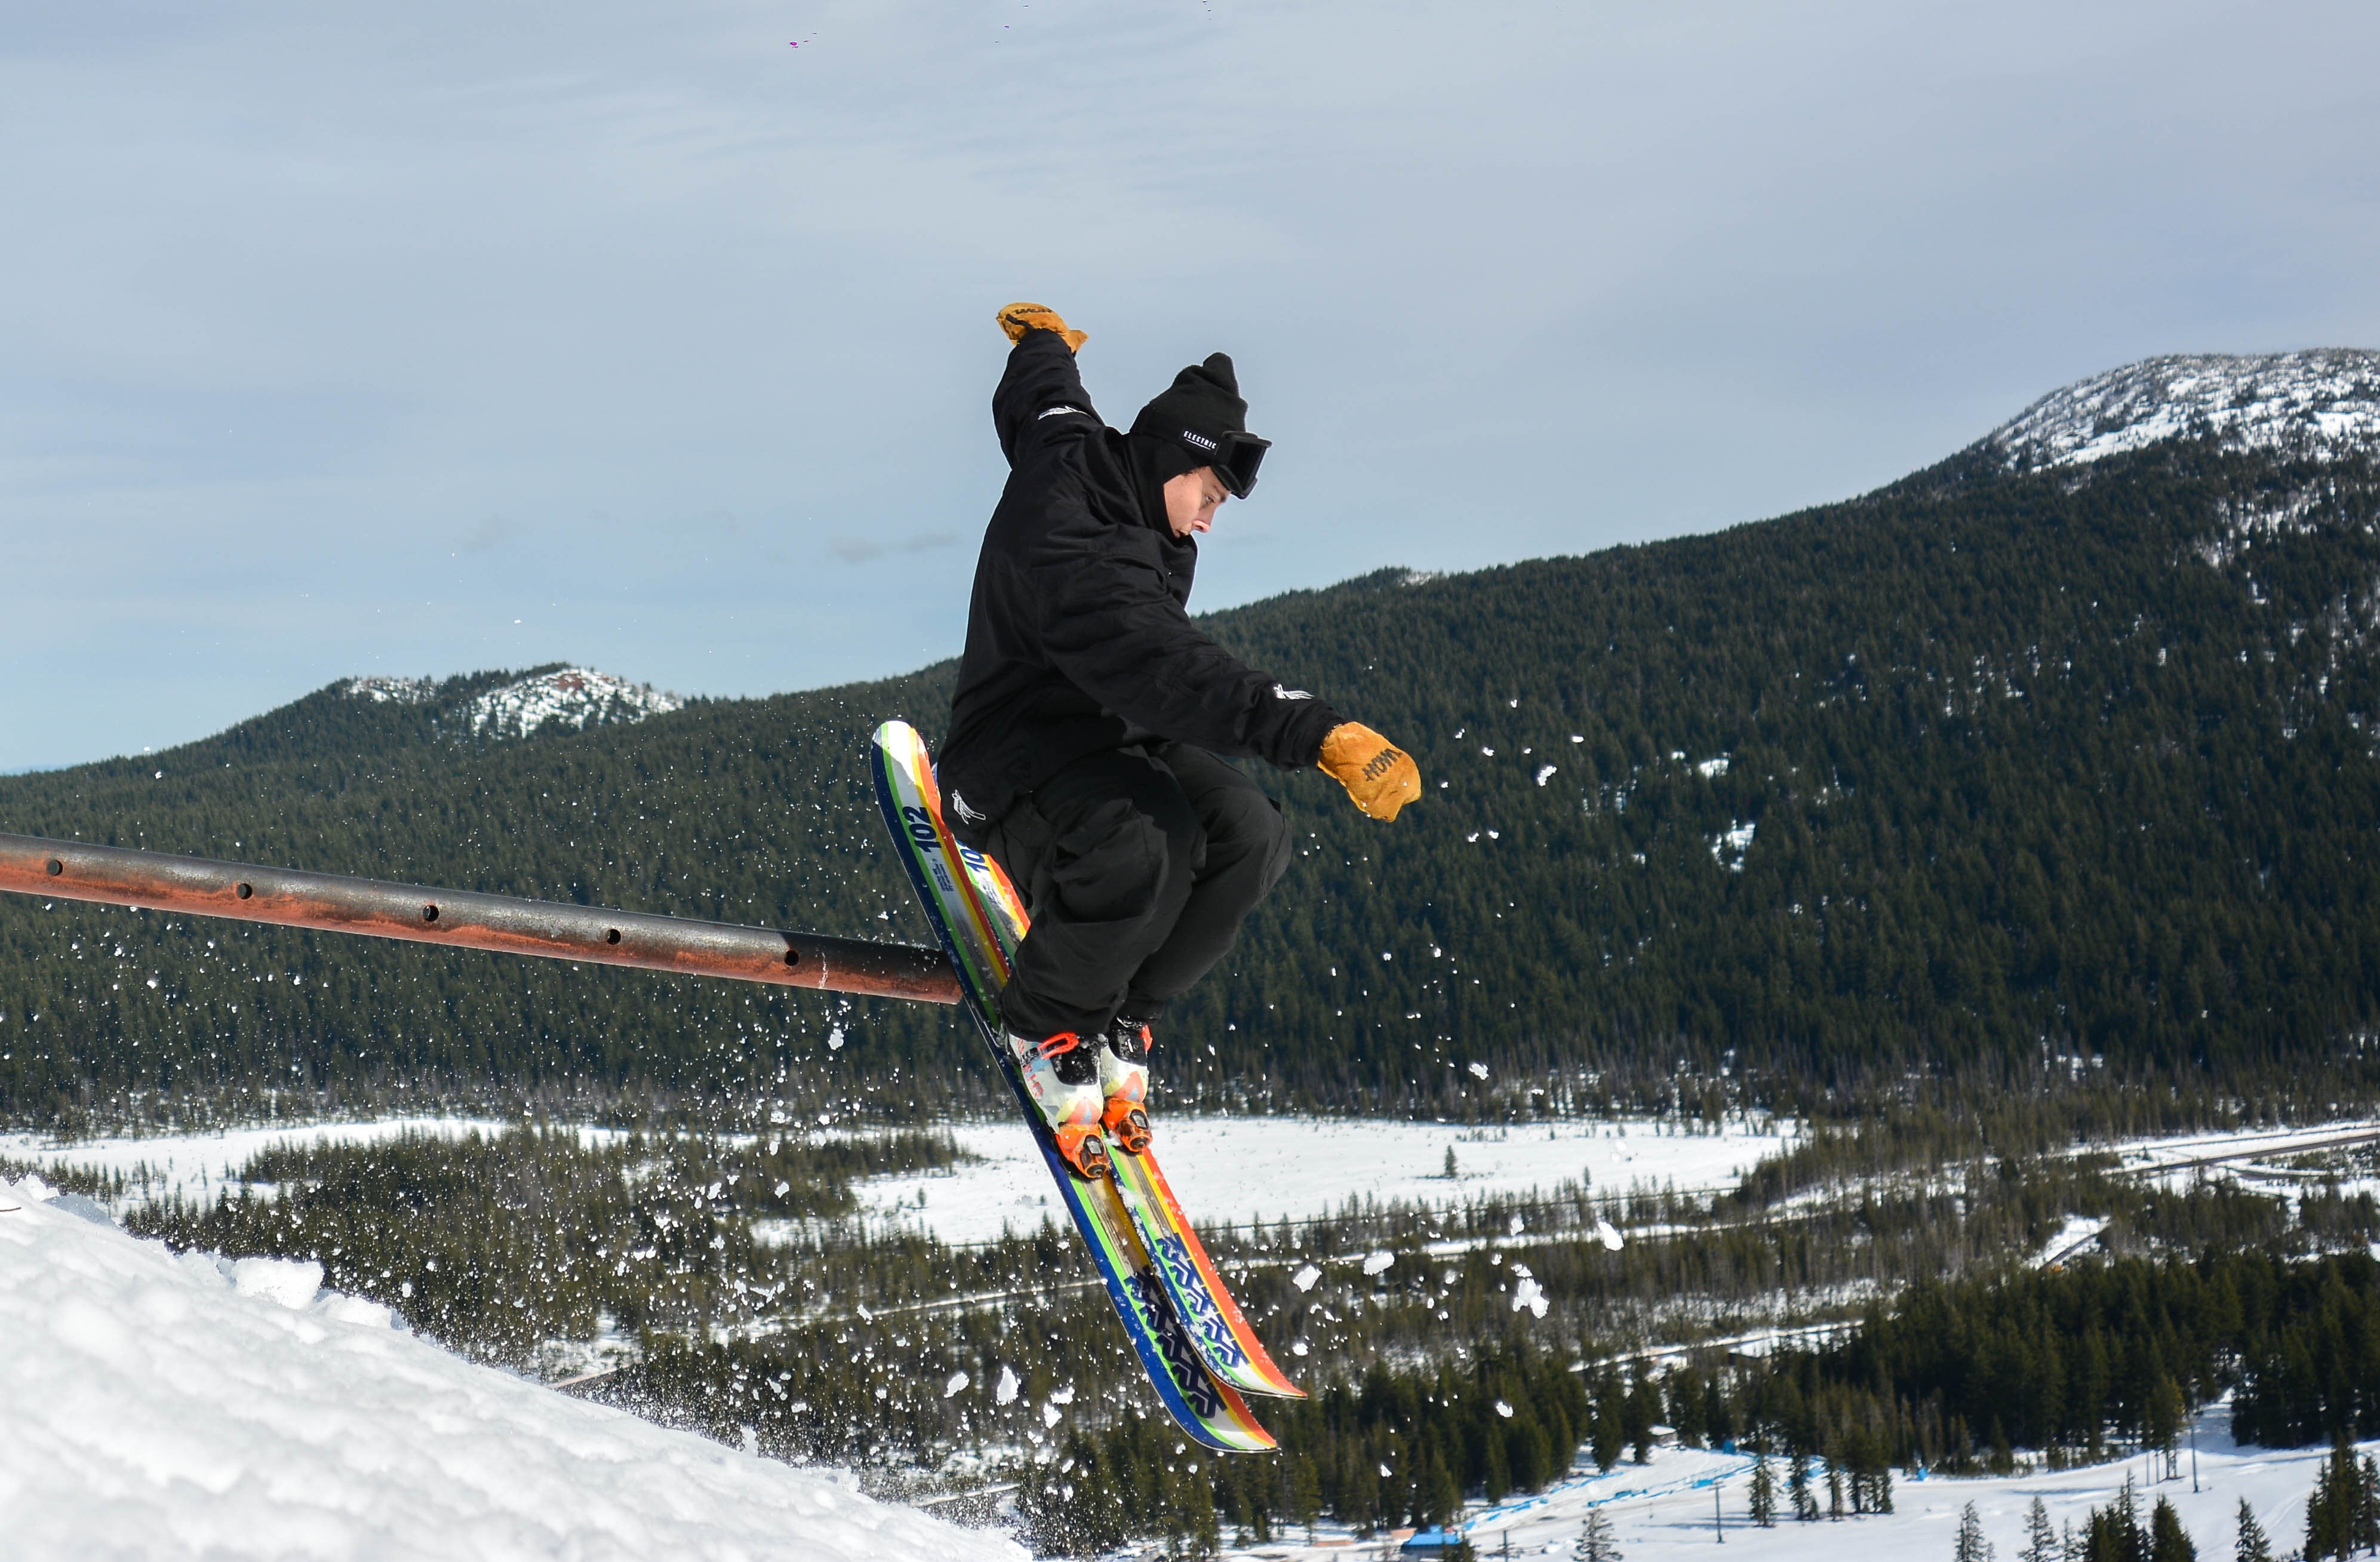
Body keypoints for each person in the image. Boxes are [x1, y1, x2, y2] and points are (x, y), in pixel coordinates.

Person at [939, 302, 1422, 1175]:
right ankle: (1049, 1026)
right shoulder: (1075, 543)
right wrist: (1313, 731)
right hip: (1013, 755)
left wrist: (1042, 346)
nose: (1205, 522)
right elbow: (1163, 664)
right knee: (1145, 846)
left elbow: (1047, 406)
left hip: (1108, 730)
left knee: (1251, 832)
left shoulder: (1095, 459)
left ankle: (1123, 1012)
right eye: (1205, 497)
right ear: (1171, 461)